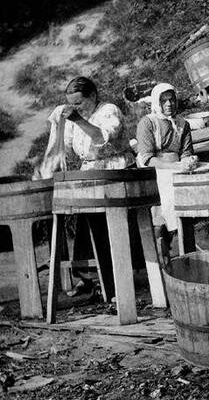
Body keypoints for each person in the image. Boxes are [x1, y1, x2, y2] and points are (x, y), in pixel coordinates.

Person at [40, 76, 136, 297]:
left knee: (104, 226)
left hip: (115, 173)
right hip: (91, 176)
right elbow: (67, 148)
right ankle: (90, 277)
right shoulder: (78, 117)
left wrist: (77, 119)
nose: (75, 108)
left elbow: (103, 138)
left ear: (92, 96)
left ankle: (112, 282)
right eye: (71, 104)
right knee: (87, 224)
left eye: (78, 103)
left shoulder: (108, 111)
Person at [136, 83, 209, 255]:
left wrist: (190, 160)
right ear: (157, 103)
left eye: (171, 99)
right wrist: (173, 166)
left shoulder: (182, 123)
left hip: (177, 165)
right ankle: (170, 237)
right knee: (168, 198)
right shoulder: (147, 123)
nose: (169, 104)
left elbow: (186, 151)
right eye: (164, 101)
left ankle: (201, 222)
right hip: (157, 168)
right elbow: (147, 158)